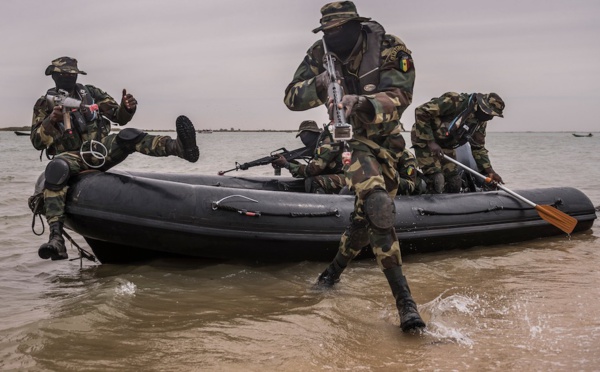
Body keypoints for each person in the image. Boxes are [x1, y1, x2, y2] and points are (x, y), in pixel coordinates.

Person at [283, 1, 425, 332]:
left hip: (388, 142)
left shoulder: (390, 48)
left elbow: (400, 97)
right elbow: (291, 97)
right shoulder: (319, 53)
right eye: (327, 31)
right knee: (377, 203)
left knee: (363, 223)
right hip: (350, 142)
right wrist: (321, 83)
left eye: (339, 30)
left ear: (357, 26)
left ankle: (332, 273)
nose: (333, 37)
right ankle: (405, 303)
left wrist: (361, 101)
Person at [31, 56, 200, 261]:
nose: (68, 77)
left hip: (100, 150)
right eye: (64, 74)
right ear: (55, 76)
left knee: (129, 135)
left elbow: (118, 117)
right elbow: (37, 141)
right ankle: (56, 239)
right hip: (71, 156)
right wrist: (52, 120)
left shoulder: (91, 94)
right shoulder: (44, 103)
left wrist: (127, 108)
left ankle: (179, 147)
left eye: (71, 74)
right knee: (57, 168)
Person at [410, 92, 505, 194]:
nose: (490, 118)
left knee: (454, 181)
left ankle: (448, 205)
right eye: (489, 114)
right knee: (437, 179)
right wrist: (430, 142)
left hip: (446, 144)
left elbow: (478, 148)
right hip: (425, 140)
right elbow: (421, 111)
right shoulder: (455, 101)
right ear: (481, 106)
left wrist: (490, 171)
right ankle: (428, 199)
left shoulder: (480, 122)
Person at [273, 120, 346, 194]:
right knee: (309, 179)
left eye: (302, 135)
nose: (302, 139)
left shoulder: (326, 144)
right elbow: (308, 172)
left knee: (314, 181)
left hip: (350, 178)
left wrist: (287, 164)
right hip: (343, 175)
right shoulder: (319, 144)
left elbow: (312, 170)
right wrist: (289, 162)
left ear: (309, 133)